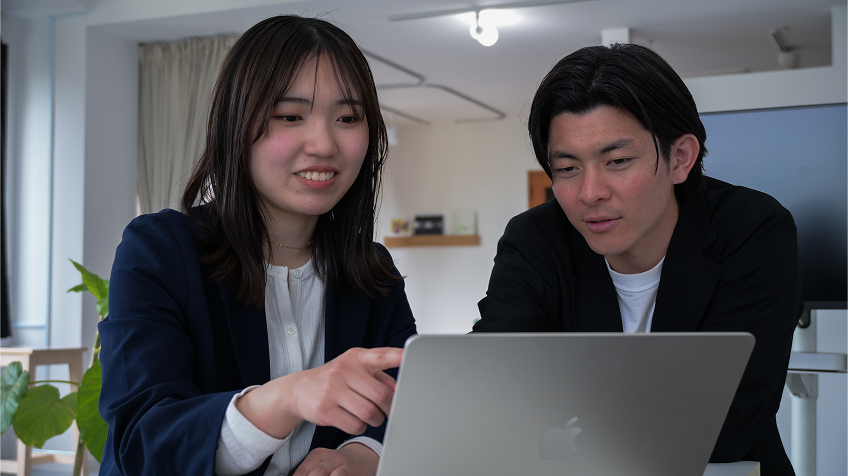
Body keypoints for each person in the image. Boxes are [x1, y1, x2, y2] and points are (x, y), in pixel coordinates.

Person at [98, 16, 416, 476]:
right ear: (235, 123)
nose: (323, 144)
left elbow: (405, 404)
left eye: (347, 118)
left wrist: (360, 454)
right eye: (290, 116)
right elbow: (143, 442)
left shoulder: (373, 270)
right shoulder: (160, 251)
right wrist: (287, 397)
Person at [473, 44, 802, 476]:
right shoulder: (535, 238)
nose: (590, 193)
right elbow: (490, 384)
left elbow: (727, 423)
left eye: (618, 161)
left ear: (680, 158)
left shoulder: (751, 229)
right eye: (568, 168)